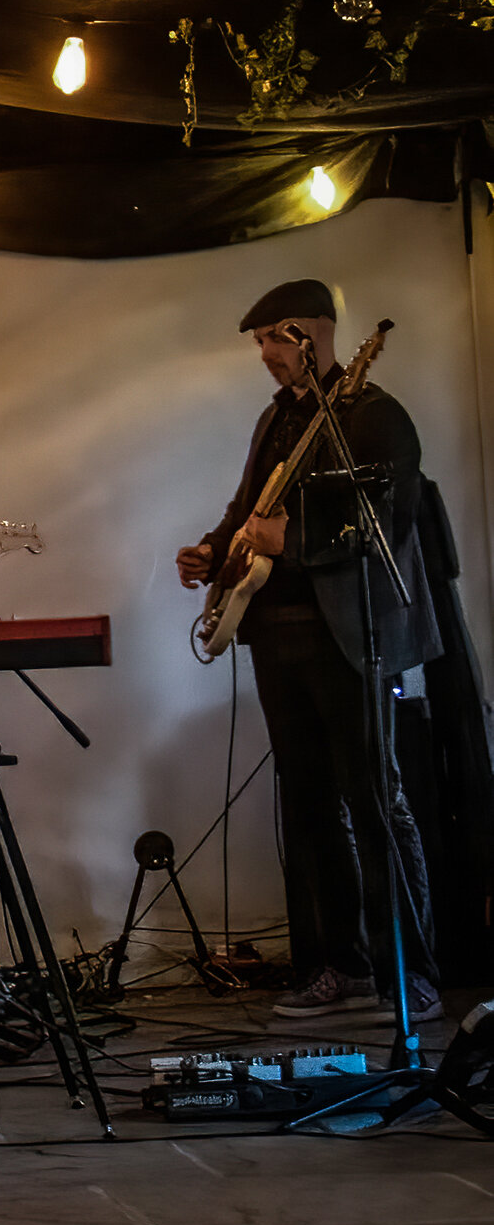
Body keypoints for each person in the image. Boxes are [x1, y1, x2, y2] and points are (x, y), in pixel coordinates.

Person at [177, 279, 442, 1024]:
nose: (264, 353)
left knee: (375, 801)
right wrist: (213, 550)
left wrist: (293, 540)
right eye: (259, 341)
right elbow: (247, 510)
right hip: (274, 630)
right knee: (309, 804)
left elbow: (391, 521)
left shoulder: (375, 416)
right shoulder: (275, 418)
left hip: (346, 635)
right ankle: (340, 965)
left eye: (273, 337)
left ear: (311, 334)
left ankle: (411, 974)